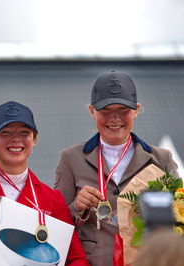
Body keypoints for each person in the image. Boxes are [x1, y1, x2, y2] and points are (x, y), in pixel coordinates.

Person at [54, 71, 179, 266]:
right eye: (105, 110)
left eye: (123, 109)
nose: (114, 118)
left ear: (136, 110)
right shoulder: (71, 158)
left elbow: (178, 219)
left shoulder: (162, 159)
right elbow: (55, 223)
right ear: (91, 111)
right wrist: (78, 207)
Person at [0, 101, 90, 266]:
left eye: (24, 132)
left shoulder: (52, 199)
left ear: (34, 139)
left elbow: (75, 258)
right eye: (5, 133)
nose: (16, 139)